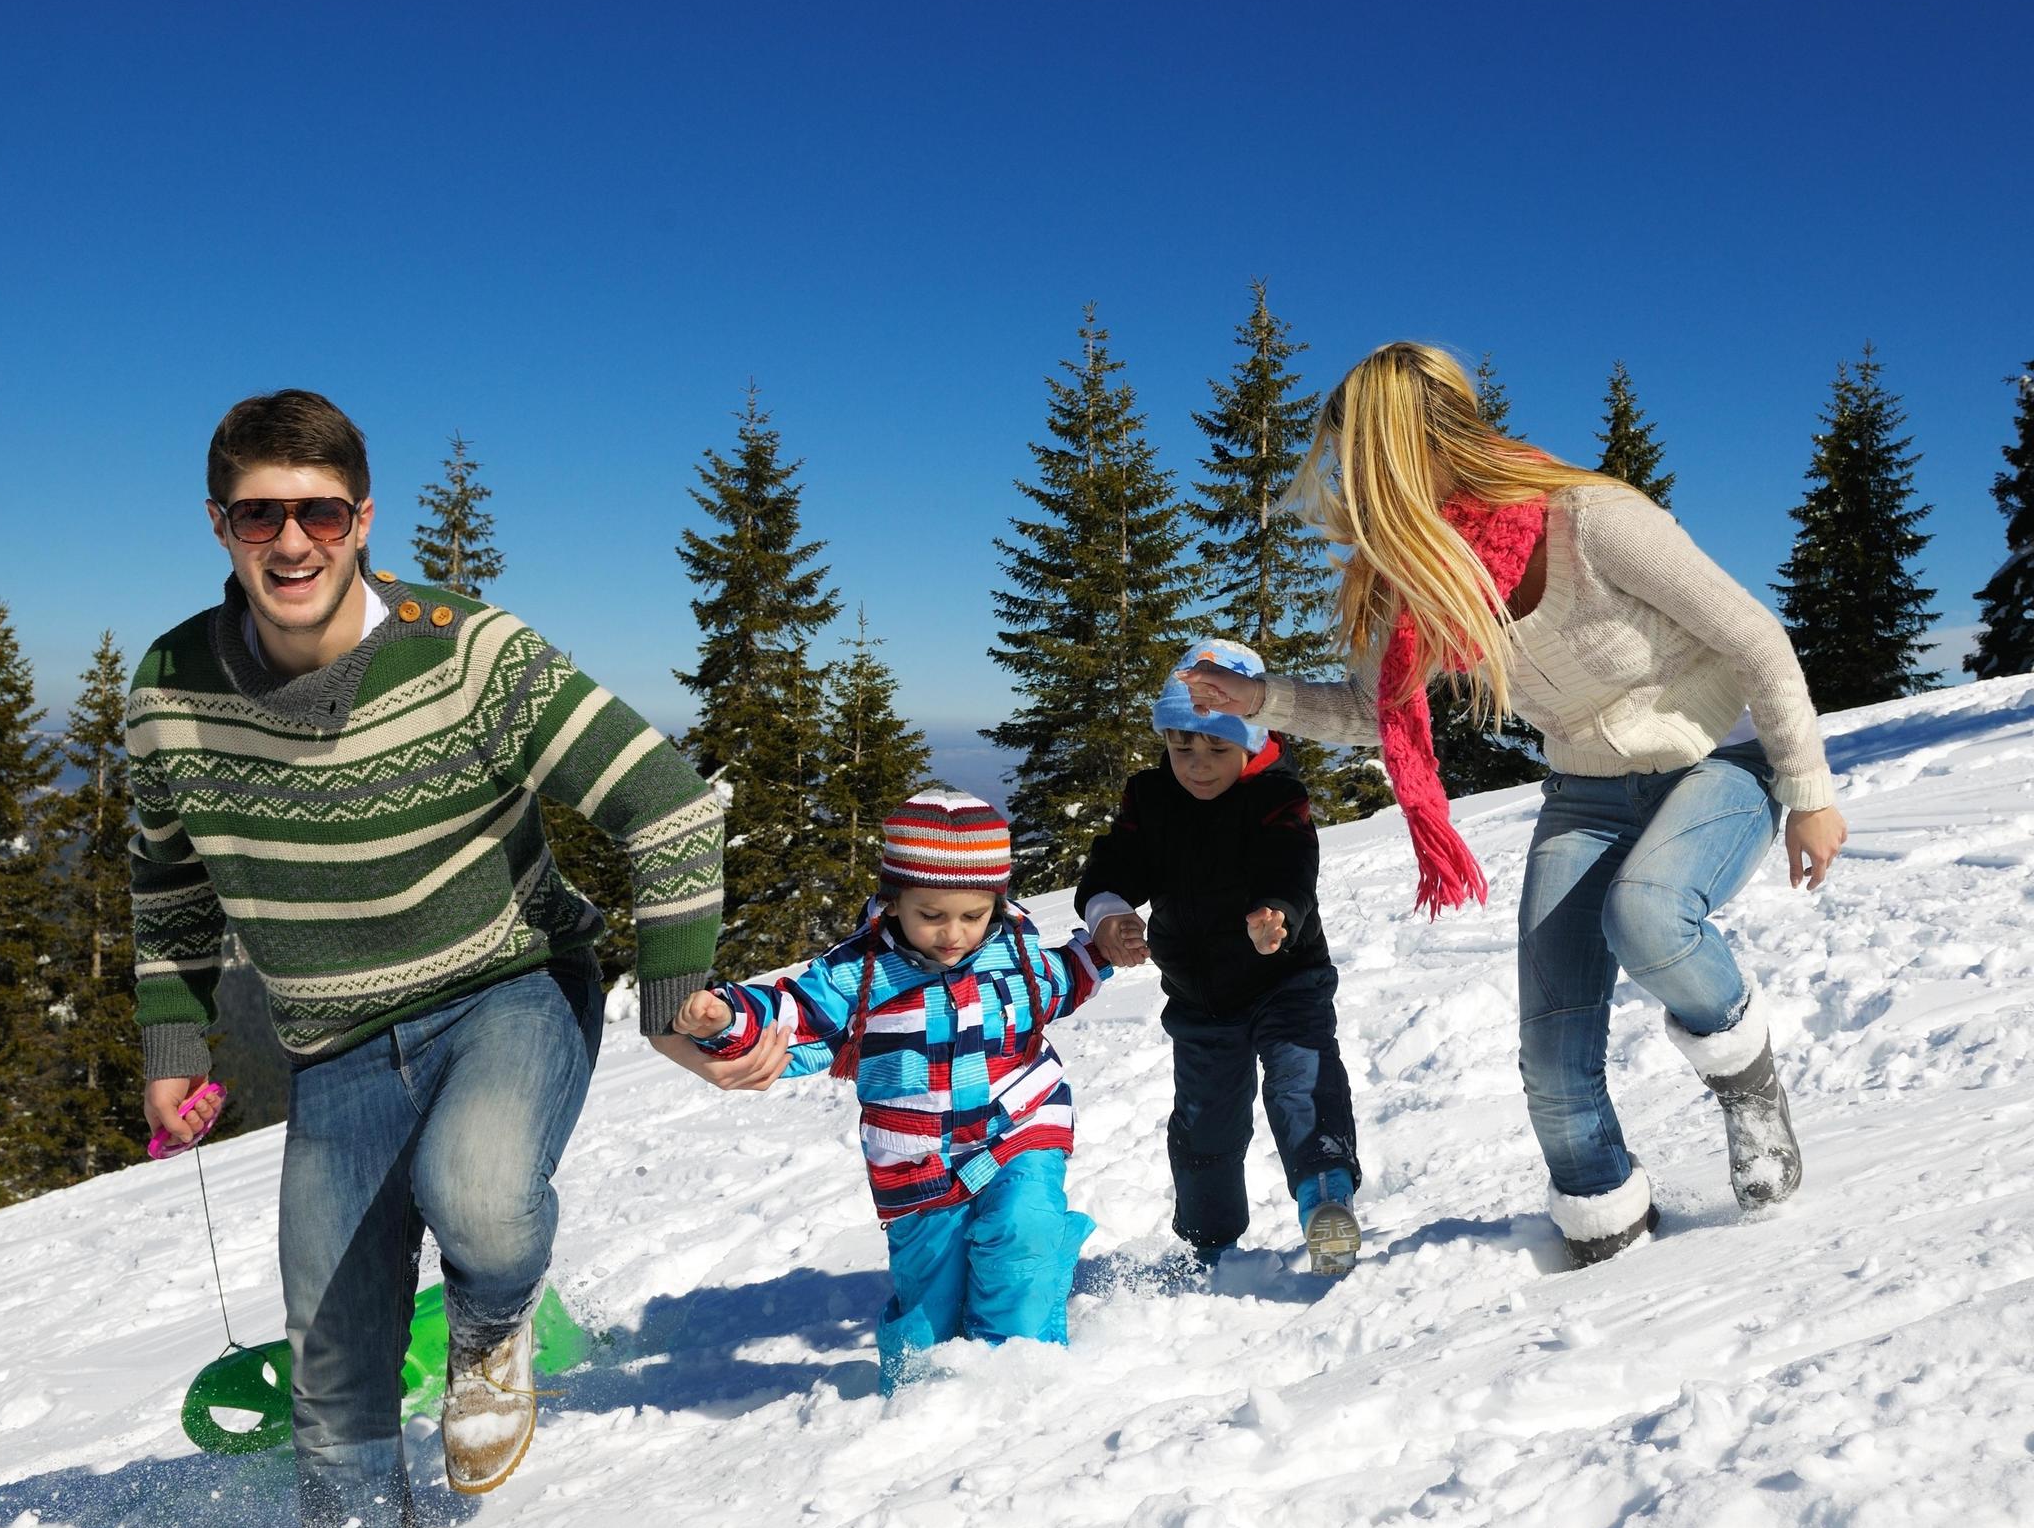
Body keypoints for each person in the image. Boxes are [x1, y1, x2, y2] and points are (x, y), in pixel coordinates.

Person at [127, 389, 785, 1528]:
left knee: (477, 1189)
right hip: (332, 1050)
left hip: (510, 988)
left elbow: (667, 798)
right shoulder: (172, 688)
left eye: (320, 513)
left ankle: (490, 1329)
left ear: (363, 517)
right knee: (333, 1379)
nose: (292, 542)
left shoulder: (469, 651)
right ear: (220, 524)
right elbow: (167, 880)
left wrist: (676, 995)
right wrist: (176, 1042)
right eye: (260, 515)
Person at [1180, 343, 1848, 1268]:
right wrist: (1259, 702)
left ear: (1407, 447)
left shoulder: (1591, 518)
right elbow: (1376, 716)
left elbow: (1753, 638)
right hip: (1584, 793)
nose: (1351, 485)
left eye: (1358, 460)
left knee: (1646, 913)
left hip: (1716, 763)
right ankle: (1608, 1233)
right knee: (1551, 1059)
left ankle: (1746, 1079)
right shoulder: (1422, 577)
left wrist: (1807, 791)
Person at [672, 789, 1144, 1389]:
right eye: (932, 915)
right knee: (932, 1300)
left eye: (974, 916)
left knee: (1027, 1232)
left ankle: (1021, 1371)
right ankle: (928, 1388)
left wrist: (1101, 952)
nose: (955, 934)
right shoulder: (857, 974)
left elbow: (1060, 981)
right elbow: (792, 1011)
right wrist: (725, 1018)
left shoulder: (1014, 952)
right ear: (894, 903)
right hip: (918, 1159)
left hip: (1018, 1126)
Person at [1078, 640, 1364, 1276]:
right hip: (1201, 998)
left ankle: (1326, 1205)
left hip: (1285, 976)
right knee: (1205, 1125)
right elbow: (1115, 865)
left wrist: (1277, 914)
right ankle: (1210, 1246)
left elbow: (1291, 861)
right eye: (1183, 747)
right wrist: (1110, 913)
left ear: (1251, 741)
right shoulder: (1152, 798)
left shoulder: (1274, 796)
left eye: (1216, 748)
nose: (1197, 766)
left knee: (1300, 1087)